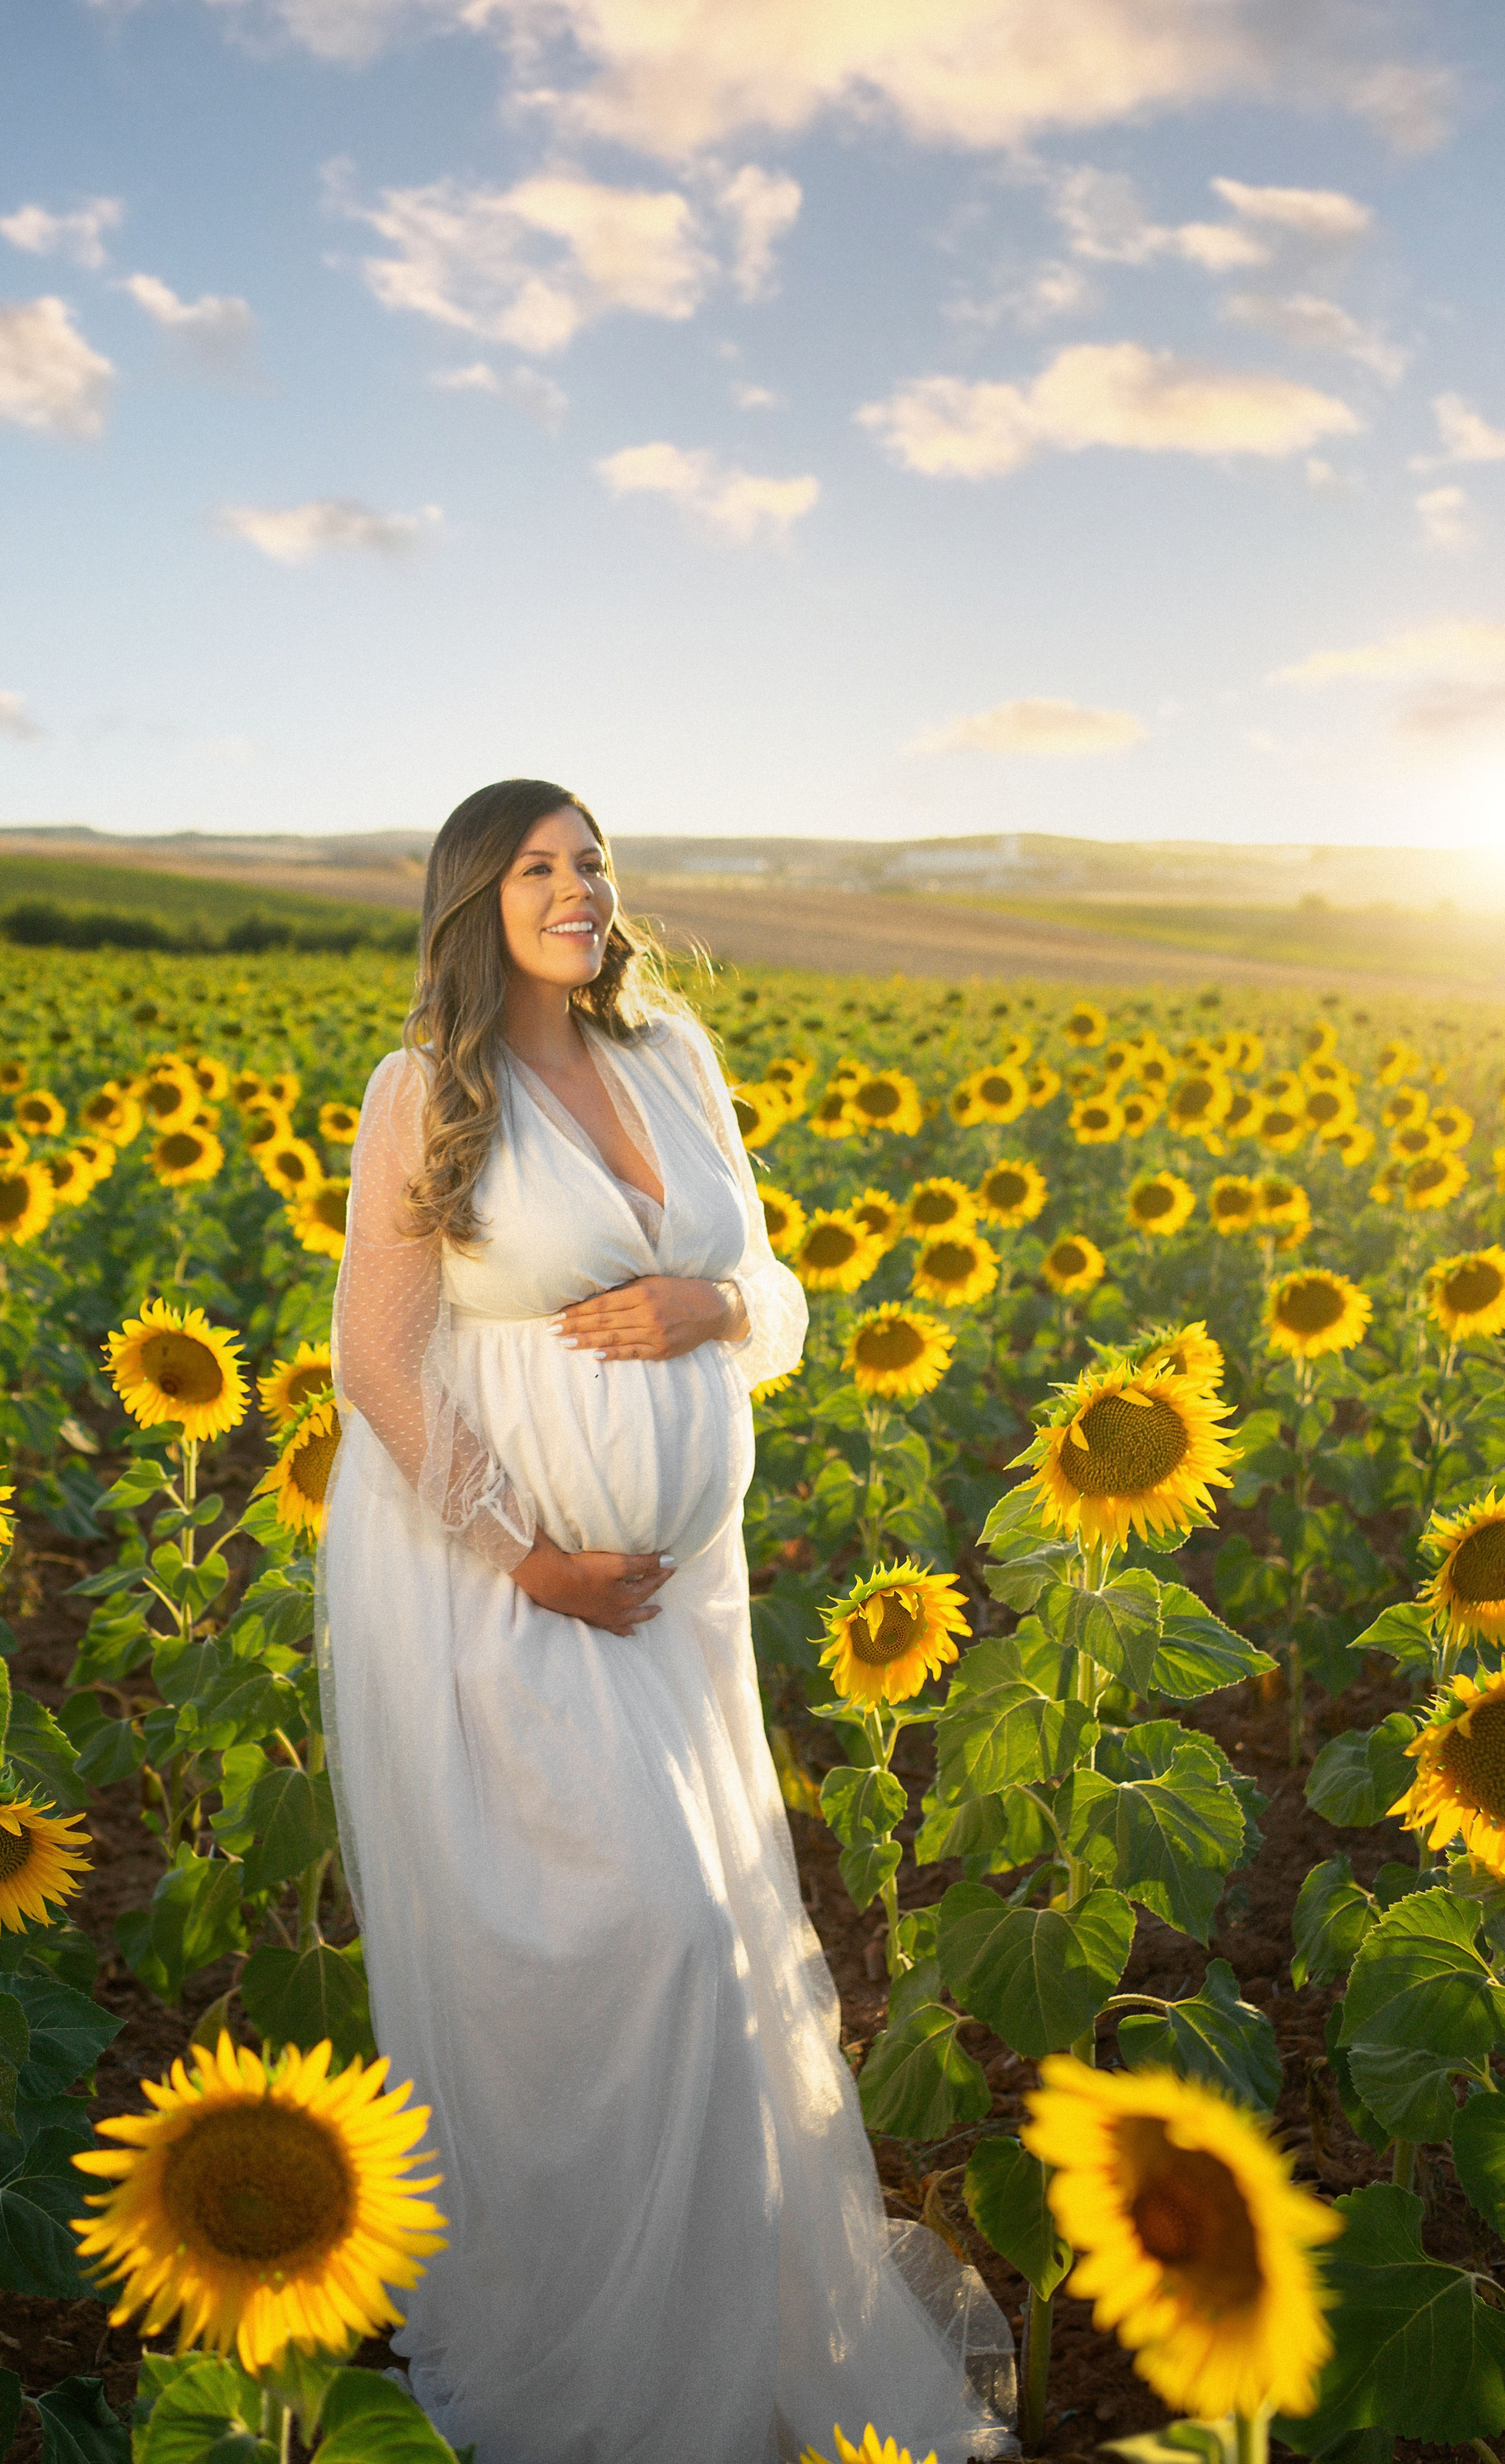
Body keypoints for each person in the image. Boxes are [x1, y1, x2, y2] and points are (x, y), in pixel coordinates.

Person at [319, 779, 1013, 2464]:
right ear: (471, 901)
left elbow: (772, 1301)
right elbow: (379, 1363)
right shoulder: (426, 1091)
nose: (573, 889)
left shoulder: (670, 1055)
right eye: (535, 868)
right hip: (511, 1595)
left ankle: (725, 2343)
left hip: (680, 1605)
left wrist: (712, 1301)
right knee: (618, 1952)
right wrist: (527, 1554)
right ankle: (592, 2363)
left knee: (705, 1951)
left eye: (590, 862)